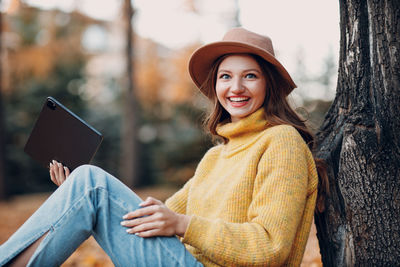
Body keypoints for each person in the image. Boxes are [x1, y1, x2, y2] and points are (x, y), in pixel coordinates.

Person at [0, 27, 327, 266]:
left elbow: (272, 248)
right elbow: (151, 217)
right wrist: (78, 199)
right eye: (225, 76)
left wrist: (183, 224)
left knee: (91, 184)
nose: (236, 87)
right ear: (215, 85)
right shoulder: (217, 156)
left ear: (269, 83)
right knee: (88, 186)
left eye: (250, 76)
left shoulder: (281, 142)